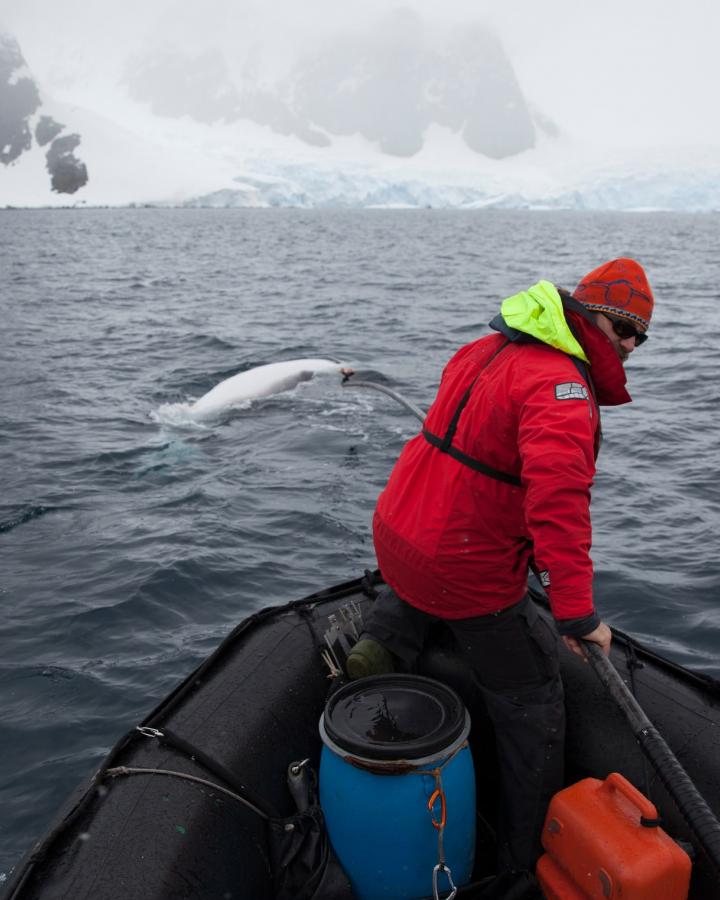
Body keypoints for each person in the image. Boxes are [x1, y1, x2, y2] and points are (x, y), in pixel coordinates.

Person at [346, 258, 654, 873]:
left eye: (641, 339)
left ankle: (380, 642)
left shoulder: (485, 347)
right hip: (463, 569)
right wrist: (576, 614)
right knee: (534, 699)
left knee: (421, 569)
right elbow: (559, 505)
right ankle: (521, 857)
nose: (632, 347)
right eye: (627, 332)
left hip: (396, 532)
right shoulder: (563, 389)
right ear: (596, 318)